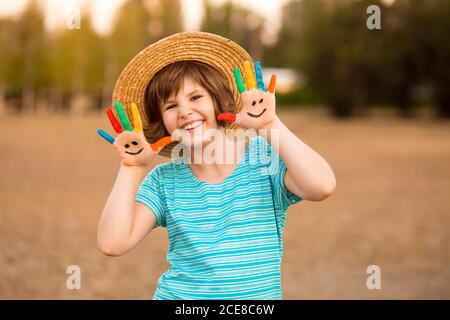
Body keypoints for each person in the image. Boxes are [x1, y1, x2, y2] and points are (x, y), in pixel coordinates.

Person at [96, 32, 336, 300]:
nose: (185, 111)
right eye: (171, 105)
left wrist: (270, 125)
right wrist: (131, 169)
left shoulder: (264, 160)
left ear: (218, 100)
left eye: (196, 97)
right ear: (161, 121)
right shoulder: (163, 181)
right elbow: (112, 243)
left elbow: (322, 186)